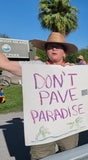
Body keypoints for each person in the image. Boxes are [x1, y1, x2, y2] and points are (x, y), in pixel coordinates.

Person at [0, 32, 79, 160]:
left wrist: (77, 72)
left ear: (64, 52)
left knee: (71, 155)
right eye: (50, 46)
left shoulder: (73, 70)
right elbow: (6, 64)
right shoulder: (34, 67)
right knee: (41, 157)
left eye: (58, 46)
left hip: (67, 124)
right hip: (42, 127)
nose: (53, 48)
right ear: (46, 50)